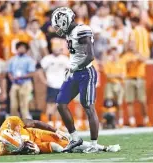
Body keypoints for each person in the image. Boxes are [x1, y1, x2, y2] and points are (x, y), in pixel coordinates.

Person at [51, 7, 99, 152]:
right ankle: (75, 138)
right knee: (61, 103)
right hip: (74, 73)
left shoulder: (82, 30)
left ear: (64, 21)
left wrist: (74, 66)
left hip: (86, 73)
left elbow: (90, 56)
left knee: (88, 107)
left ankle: (94, 144)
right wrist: (71, 68)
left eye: (59, 25)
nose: (57, 29)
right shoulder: (70, 33)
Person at [0, 116, 120, 155]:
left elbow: (35, 123)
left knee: (66, 138)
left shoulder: (12, 121)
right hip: (34, 144)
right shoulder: (3, 150)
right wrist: (31, 150)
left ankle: (105, 147)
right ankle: (80, 150)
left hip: (35, 134)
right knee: (58, 148)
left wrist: (55, 130)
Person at [121, 41, 150, 127]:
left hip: (139, 79)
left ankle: (146, 120)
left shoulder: (139, 53)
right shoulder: (125, 56)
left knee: (142, 101)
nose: (131, 46)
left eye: (132, 45)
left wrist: (136, 54)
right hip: (129, 79)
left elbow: (144, 59)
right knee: (130, 101)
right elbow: (126, 66)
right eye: (130, 45)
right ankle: (132, 121)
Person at [40, 43, 69, 128]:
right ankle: (50, 122)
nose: (56, 50)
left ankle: (59, 123)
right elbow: (40, 70)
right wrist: (44, 80)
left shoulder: (64, 59)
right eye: (55, 48)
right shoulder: (47, 59)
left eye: (58, 48)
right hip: (51, 84)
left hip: (62, 84)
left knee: (61, 105)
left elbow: (70, 70)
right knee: (50, 104)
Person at [7, 42, 35, 119]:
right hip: (15, 84)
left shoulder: (29, 60)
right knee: (13, 106)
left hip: (25, 84)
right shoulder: (12, 59)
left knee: (24, 105)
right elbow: (9, 72)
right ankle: (15, 125)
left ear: (26, 50)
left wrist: (21, 77)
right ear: (17, 48)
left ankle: (26, 125)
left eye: (23, 48)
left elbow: (32, 73)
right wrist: (11, 77)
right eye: (20, 47)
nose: (21, 49)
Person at [103, 47, 125, 128]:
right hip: (110, 84)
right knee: (109, 103)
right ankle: (109, 122)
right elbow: (108, 75)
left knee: (119, 104)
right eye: (112, 54)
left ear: (117, 54)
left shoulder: (121, 63)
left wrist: (114, 75)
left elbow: (123, 76)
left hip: (119, 84)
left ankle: (120, 121)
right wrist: (117, 75)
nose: (114, 55)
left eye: (115, 53)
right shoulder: (108, 63)